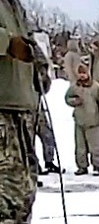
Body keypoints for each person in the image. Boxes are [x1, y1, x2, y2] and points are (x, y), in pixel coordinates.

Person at [0, 0, 58, 224]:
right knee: (4, 167)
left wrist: (39, 68)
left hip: (22, 96)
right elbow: (12, 40)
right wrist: (7, 44)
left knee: (24, 168)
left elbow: (27, 39)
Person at [65, 61, 99, 175]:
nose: (82, 76)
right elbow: (67, 98)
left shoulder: (95, 87)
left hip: (94, 121)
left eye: (84, 73)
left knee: (95, 146)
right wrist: (74, 101)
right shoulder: (75, 87)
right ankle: (82, 166)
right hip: (79, 121)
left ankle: (96, 166)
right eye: (80, 73)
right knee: (80, 147)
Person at [30, 28, 59, 174]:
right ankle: (33, 167)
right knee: (27, 139)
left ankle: (49, 161)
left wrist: (42, 80)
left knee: (46, 134)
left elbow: (43, 68)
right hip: (22, 103)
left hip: (36, 101)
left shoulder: (34, 49)